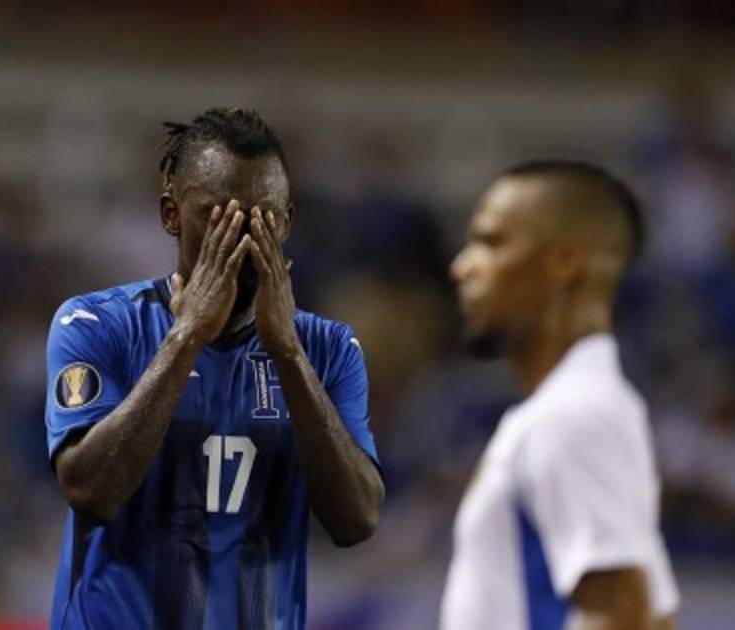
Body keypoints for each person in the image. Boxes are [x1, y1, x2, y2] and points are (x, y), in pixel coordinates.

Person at [44, 108, 384, 629]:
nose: (242, 240)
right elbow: (90, 492)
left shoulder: (327, 349)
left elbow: (356, 521)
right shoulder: (97, 324)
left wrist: (289, 354)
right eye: (218, 216)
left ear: (287, 221)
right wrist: (187, 337)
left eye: (263, 218)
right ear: (170, 214)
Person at [442, 160, 679, 630]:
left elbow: (621, 616)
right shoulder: (580, 407)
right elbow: (654, 617)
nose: (461, 267)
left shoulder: (571, 416)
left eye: (491, 242)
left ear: (565, 261)